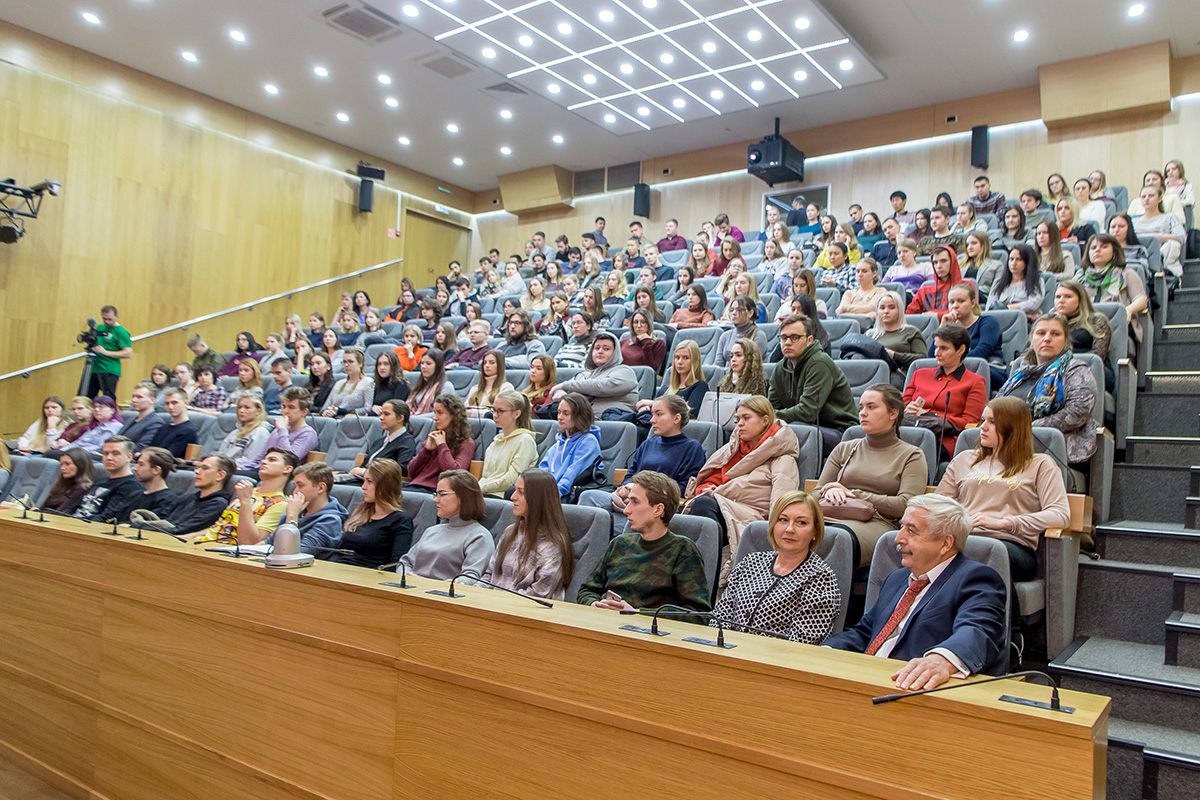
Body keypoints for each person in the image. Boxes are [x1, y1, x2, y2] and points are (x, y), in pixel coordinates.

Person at [823, 494, 1008, 689]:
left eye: (911, 531)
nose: (898, 538)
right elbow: (866, 633)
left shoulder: (976, 579)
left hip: (912, 690)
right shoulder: (897, 579)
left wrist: (942, 660)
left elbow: (976, 630)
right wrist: (826, 651)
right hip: (868, 679)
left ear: (945, 543)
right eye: (901, 527)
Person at [938, 397, 1070, 582]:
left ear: (1012, 427)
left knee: (982, 556)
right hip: (964, 539)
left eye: (992, 422)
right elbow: (938, 506)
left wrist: (1005, 522)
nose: (982, 427)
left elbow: (1060, 515)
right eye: (983, 420)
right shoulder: (964, 459)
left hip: (1011, 545)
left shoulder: (1040, 464)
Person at [685, 396, 800, 584]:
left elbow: (781, 503)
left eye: (746, 418)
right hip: (723, 506)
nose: (740, 424)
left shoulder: (782, 458)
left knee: (704, 505)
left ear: (764, 420)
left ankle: (701, 574)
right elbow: (706, 480)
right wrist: (710, 488)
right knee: (699, 505)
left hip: (752, 515)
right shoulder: (733, 449)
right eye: (738, 419)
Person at [816, 385, 928, 566]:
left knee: (832, 537)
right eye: (861, 407)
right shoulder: (845, 448)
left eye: (871, 407)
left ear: (893, 414)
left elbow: (905, 505)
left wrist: (852, 493)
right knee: (788, 530)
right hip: (830, 514)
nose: (863, 413)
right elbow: (815, 493)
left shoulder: (911, 455)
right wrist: (829, 491)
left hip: (877, 522)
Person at [713, 490, 841, 642]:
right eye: (783, 520)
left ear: (815, 530)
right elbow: (719, 619)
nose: (789, 529)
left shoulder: (820, 579)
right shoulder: (750, 563)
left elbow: (803, 643)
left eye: (802, 522)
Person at [578, 470, 711, 613]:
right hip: (606, 625)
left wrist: (639, 614)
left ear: (658, 509)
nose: (626, 510)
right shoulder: (619, 544)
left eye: (635, 502)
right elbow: (586, 591)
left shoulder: (683, 550)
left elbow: (698, 613)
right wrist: (595, 604)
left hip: (647, 632)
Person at [580, 395, 706, 536]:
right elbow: (631, 473)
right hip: (629, 499)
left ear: (676, 418)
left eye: (659, 414)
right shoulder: (648, 443)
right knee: (588, 496)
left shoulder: (692, 448)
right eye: (652, 414)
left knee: (599, 524)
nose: (652, 420)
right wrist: (627, 486)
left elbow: (684, 488)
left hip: (654, 507)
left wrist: (644, 492)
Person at [996, 313, 1097, 464]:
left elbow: (1078, 412)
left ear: (1065, 341)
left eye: (1055, 334)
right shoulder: (1019, 375)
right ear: (1032, 339)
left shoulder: (1075, 369)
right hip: (1009, 441)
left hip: (1051, 447)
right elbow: (995, 408)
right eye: (1041, 333)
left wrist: (1028, 429)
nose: (1047, 338)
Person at [769, 314, 859, 453]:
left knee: (789, 429)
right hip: (805, 427)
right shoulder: (780, 368)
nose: (787, 342)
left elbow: (807, 412)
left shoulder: (819, 363)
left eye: (794, 337)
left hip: (838, 430)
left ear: (809, 340)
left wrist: (769, 417)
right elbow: (772, 407)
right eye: (784, 337)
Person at [481, 470, 575, 599]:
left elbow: (538, 595)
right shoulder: (510, 532)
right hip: (492, 607)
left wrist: (494, 602)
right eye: (515, 490)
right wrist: (469, 593)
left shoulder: (552, 546)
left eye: (521, 492)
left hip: (521, 613)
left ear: (538, 499)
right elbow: (488, 576)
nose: (513, 497)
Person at [903, 324, 988, 459]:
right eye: (936, 347)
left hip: (944, 439)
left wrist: (930, 415)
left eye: (943, 348)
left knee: (913, 451)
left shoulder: (975, 382)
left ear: (961, 350)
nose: (936, 353)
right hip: (910, 430)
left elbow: (971, 423)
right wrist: (908, 408)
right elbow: (900, 407)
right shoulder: (919, 374)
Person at [398, 470, 495, 580]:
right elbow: (405, 562)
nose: (435, 500)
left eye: (442, 494)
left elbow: (471, 576)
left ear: (463, 497)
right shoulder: (431, 531)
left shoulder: (479, 536)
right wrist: (406, 575)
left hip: (444, 594)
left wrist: (456, 583)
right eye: (436, 494)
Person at [187, 448, 296, 543]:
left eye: (272, 460)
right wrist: (184, 538)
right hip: (202, 543)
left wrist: (245, 501)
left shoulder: (280, 504)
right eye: (264, 459)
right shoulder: (249, 491)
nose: (263, 462)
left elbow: (250, 542)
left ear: (287, 469)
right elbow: (217, 528)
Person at [327, 459, 413, 569]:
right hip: (342, 570)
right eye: (364, 481)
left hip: (369, 577)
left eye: (369, 481)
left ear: (385, 485)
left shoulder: (400, 521)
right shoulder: (360, 514)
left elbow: (395, 565)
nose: (363, 486)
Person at [1078, 232, 1148, 344]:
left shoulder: (1127, 274)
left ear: (1114, 251)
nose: (1097, 250)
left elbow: (1141, 300)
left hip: (1114, 323)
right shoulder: (1079, 278)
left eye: (1104, 247)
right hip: (1085, 323)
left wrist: (1128, 310)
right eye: (1093, 247)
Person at [554, 332, 639, 416]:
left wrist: (563, 385)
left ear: (615, 353)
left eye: (606, 349)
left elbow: (601, 387)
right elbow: (565, 388)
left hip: (610, 424)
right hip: (579, 422)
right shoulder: (584, 375)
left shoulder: (625, 371)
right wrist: (560, 392)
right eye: (597, 348)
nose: (600, 351)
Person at [406, 393, 475, 492]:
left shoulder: (466, 443)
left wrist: (442, 446)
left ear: (454, 415)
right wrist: (426, 450)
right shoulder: (434, 437)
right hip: (416, 485)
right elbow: (411, 472)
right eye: (434, 412)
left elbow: (455, 475)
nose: (435, 417)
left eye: (440, 413)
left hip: (437, 490)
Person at [538, 392, 602, 498]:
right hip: (550, 493)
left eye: (566, 413)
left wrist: (551, 496)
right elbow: (543, 469)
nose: (560, 417)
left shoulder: (588, 441)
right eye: (559, 412)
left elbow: (572, 474)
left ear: (580, 416)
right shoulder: (558, 443)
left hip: (566, 494)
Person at [246, 387, 318, 475]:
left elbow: (289, 460)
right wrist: (242, 467)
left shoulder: (308, 434)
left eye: (291, 407)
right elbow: (260, 457)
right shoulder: (278, 430)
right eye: (284, 406)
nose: (285, 411)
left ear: (304, 412)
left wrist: (282, 430)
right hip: (261, 469)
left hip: (280, 475)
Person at [1055, 280, 1114, 388]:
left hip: (1090, 368)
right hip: (1056, 369)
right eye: (1058, 297)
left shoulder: (1096, 320)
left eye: (1068, 297)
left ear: (1080, 299)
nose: (1061, 301)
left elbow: (1098, 354)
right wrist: (1059, 324)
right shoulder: (1049, 323)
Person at [74, 436, 142, 522]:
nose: (109, 458)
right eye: (105, 453)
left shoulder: (131, 486)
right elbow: (75, 507)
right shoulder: (99, 481)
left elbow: (107, 517)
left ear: (129, 457)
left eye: (115, 453)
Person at [866, 291, 927, 385]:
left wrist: (894, 355)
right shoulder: (870, 334)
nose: (886, 311)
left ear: (900, 310)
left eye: (891, 307)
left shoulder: (911, 332)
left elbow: (922, 359)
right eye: (882, 308)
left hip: (898, 377)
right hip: (871, 377)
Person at [638, 340, 709, 420]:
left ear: (695, 361)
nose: (679, 362)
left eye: (685, 358)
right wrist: (645, 408)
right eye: (677, 357)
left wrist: (653, 403)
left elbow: (690, 413)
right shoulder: (665, 389)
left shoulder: (700, 386)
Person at [165, 455, 235, 535]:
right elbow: (162, 517)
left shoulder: (217, 504)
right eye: (198, 467)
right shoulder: (188, 497)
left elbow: (181, 530)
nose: (196, 472)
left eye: (205, 468)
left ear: (220, 475)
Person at [1132, 182, 1186, 278]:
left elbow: (1181, 237)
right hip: (1136, 256)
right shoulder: (1133, 221)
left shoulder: (1170, 217)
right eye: (1143, 196)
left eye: (1151, 196)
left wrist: (1154, 238)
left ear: (1160, 198)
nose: (1146, 199)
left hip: (1163, 255)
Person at [986, 243, 1043, 322]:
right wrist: (1009, 310)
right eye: (1011, 259)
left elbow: (1033, 304)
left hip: (1025, 322)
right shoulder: (998, 282)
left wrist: (1005, 308)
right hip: (1002, 321)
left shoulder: (1036, 280)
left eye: (1019, 259)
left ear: (1028, 262)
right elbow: (990, 307)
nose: (1013, 263)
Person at [84, 305, 132, 398]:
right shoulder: (100, 327)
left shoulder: (121, 332)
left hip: (109, 369)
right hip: (95, 368)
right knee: (88, 398)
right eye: (104, 318)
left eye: (109, 319)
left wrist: (105, 352)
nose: (107, 321)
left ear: (116, 316)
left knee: (108, 399)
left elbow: (127, 353)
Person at [121, 447, 179, 523]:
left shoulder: (168, 500)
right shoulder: (134, 495)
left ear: (156, 470)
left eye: (141, 464)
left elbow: (150, 525)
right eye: (136, 463)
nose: (135, 468)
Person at [215, 397, 270, 472]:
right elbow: (220, 454)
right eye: (239, 407)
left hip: (240, 469)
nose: (241, 410)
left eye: (247, 407)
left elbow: (250, 460)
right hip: (224, 467)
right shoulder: (234, 432)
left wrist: (223, 464)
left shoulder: (261, 432)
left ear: (258, 411)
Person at [906, 246, 963, 319]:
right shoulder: (923, 291)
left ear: (952, 262)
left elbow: (964, 312)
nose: (939, 266)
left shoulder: (966, 287)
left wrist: (935, 315)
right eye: (935, 262)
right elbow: (909, 316)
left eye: (943, 261)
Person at [715, 297, 769, 369]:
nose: (733, 313)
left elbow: (751, 364)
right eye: (732, 310)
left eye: (739, 310)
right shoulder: (725, 336)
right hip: (728, 377)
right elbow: (718, 365)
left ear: (750, 313)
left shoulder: (758, 335)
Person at [320, 348, 374, 417]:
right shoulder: (339, 383)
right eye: (344, 362)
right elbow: (325, 407)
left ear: (360, 363)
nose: (346, 365)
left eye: (350, 361)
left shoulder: (367, 382)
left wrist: (341, 411)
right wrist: (326, 412)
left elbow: (368, 409)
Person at [148, 387, 199, 458]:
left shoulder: (188, 431)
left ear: (186, 403)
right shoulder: (164, 427)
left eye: (174, 403)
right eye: (167, 403)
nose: (170, 407)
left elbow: (169, 457)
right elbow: (150, 449)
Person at [42, 448, 94, 515]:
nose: (63, 468)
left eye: (67, 464)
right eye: (62, 464)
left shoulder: (81, 488)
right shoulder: (62, 484)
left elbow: (61, 513)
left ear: (80, 465)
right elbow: (46, 507)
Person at [116, 384, 165, 449]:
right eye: (133, 396)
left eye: (139, 397)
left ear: (152, 400)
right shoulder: (131, 419)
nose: (134, 400)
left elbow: (141, 448)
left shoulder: (156, 423)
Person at [408, 350, 453, 416]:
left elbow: (443, 413)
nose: (423, 366)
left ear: (438, 366)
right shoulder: (421, 385)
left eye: (428, 364)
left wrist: (416, 418)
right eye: (422, 363)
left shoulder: (446, 386)